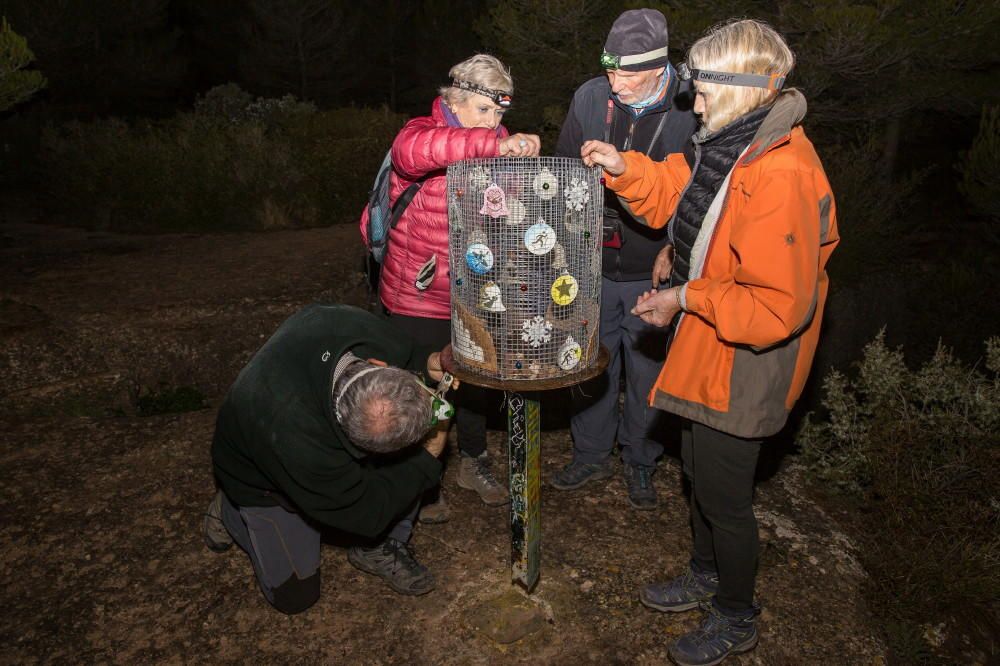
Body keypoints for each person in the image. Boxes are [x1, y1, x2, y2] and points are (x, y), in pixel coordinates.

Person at [581, 19, 839, 665]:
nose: (690, 100)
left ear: (743, 86)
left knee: (726, 497)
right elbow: (684, 192)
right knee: (696, 469)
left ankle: (736, 613)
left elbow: (778, 306)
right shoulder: (730, 140)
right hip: (709, 341)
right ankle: (704, 574)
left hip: (746, 358)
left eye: (701, 88)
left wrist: (686, 297)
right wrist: (625, 171)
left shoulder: (782, 172)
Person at [361, 54, 541, 522]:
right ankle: (423, 479)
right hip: (415, 293)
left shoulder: (497, 142)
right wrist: (495, 146)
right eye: (485, 111)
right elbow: (413, 155)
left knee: (474, 380)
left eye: (501, 114)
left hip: (471, 290)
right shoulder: (420, 132)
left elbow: (505, 212)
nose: (495, 124)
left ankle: (473, 464)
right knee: (419, 387)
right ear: (455, 100)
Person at [202, 303, 459, 614]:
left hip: (294, 414)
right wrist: (428, 456)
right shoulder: (303, 445)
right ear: (348, 442)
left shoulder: (351, 327)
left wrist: (428, 362)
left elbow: (407, 354)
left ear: (377, 362)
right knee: (295, 596)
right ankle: (230, 507)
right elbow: (366, 512)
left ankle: (376, 548)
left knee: (404, 445)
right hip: (258, 476)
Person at [551, 9, 698, 510]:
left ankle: (640, 458)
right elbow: (565, 171)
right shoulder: (591, 97)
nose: (616, 84)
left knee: (647, 372)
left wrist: (675, 249)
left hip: (651, 270)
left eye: (629, 73)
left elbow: (701, 193)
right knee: (591, 365)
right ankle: (590, 453)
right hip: (591, 265)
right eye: (610, 70)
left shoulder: (691, 107)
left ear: (661, 67)